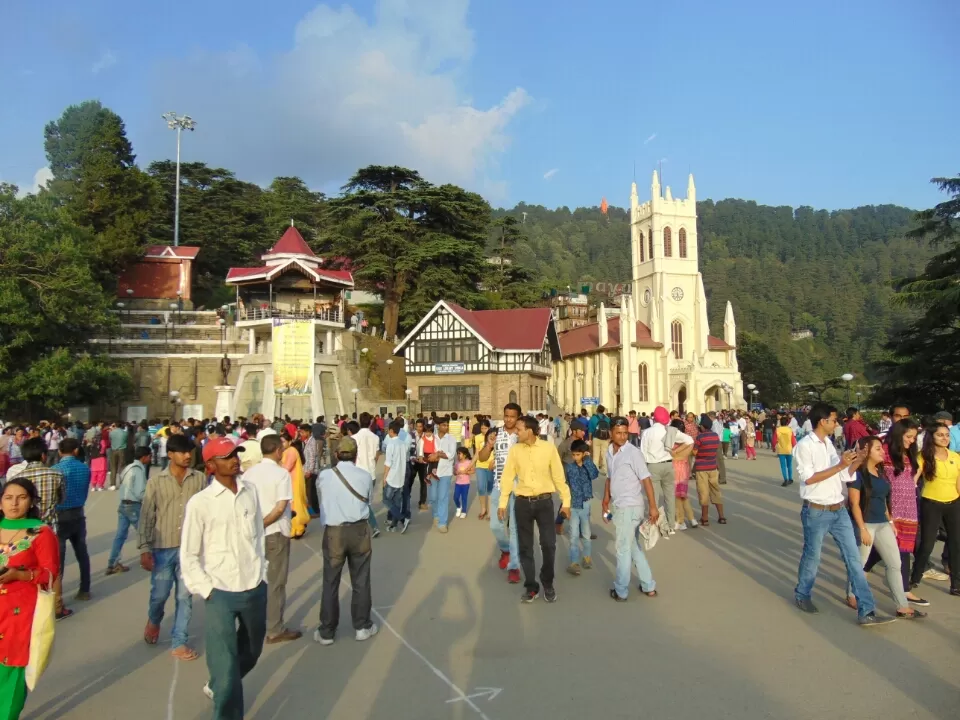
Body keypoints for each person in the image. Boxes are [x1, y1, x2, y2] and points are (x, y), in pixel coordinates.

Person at [181, 437, 267, 718]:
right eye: (227, 456)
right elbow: (190, 554)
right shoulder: (200, 503)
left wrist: (262, 571)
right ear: (210, 465)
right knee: (226, 665)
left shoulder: (250, 491)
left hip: (254, 585)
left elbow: (258, 534)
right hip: (220, 592)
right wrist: (206, 590)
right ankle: (226, 699)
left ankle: (218, 685)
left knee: (252, 652)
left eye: (236, 454)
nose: (235, 459)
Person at [792, 403, 892, 626]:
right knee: (813, 556)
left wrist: (856, 461)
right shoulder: (804, 446)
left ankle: (867, 610)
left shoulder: (828, 444)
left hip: (839, 510)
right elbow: (809, 479)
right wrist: (840, 466)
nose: (837, 424)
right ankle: (802, 594)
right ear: (823, 421)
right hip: (816, 510)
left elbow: (843, 476)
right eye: (834, 420)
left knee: (854, 559)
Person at [139, 433, 206, 660]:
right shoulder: (156, 482)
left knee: (184, 596)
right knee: (159, 594)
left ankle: (179, 641)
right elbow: (147, 516)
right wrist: (144, 549)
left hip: (189, 549)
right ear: (170, 455)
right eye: (182, 452)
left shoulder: (199, 479)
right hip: (162, 548)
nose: (187, 456)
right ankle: (154, 620)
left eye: (190, 451)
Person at [0, 478, 60, 719]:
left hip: (21, 613)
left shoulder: (41, 532)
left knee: (13, 668)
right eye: (8, 497)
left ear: (31, 501)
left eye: (21, 497)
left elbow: (50, 573)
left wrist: (20, 574)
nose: (14, 503)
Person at [847, 437, 924, 619]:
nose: (883, 452)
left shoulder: (880, 471)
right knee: (860, 563)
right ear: (866, 451)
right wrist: (862, 529)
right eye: (878, 449)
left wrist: (890, 522)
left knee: (894, 564)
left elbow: (884, 500)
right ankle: (852, 594)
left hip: (883, 524)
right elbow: (854, 503)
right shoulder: (857, 473)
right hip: (866, 524)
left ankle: (902, 606)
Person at [498, 416, 571, 603]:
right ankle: (531, 586)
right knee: (525, 546)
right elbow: (507, 477)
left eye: (519, 429)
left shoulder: (548, 448)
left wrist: (566, 502)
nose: (516, 432)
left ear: (530, 430)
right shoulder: (515, 450)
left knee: (548, 544)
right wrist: (502, 503)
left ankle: (547, 582)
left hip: (544, 502)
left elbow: (558, 476)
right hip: (522, 503)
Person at [313, 437, 378, 645]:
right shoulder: (365, 476)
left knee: (330, 581)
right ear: (356, 454)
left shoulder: (324, 476)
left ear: (336, 454)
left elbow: (320, 498)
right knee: (361, 580)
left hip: (334, 532)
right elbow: (367, 499)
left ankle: (327, 631)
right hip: (359, 530)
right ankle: (362, 626)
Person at [237, 434, 300, 644]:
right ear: (277, 450)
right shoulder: (281, 474)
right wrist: (262, 523)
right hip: (275, 531)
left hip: (253, 534)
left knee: (254, 579)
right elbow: (281, 507)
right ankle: (274, 628)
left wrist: (253, 526)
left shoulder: (248, 474)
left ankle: (250, 625)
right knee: (276, 582)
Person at [602, 416, 659, 601]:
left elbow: (646, 480)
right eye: (618, 433)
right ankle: (648, 585)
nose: (622, 436)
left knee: (623, 549)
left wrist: (653, 507)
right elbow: (610, 477)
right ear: (611, 433)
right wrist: (605, 498)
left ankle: (620, 590)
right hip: (618, 505)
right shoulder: (610, 451)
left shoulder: (633, 453)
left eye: (625, 433)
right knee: (633, 548)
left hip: (631, 506)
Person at [911, 423, 960, 596]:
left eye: (947, 435)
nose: (945, 438)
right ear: (932, 437)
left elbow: (958, 483)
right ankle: (914, 578)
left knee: (956, 543)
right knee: (927, 544)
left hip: (953, 503)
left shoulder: (956, 456)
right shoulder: (923, 456)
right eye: (940, 435)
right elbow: (913, 479)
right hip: (931, 503)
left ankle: (956, 585)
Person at [478, 404, 522, 584]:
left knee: (514, 529)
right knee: (496, 526)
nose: (508, 419)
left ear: (518, 417)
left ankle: (514, 567)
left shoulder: (522, 435)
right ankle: (506, 549)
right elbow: (481, 457)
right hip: (498, 487)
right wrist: (489, 445)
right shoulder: (495, 434)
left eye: (512, 416)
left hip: (519, 488)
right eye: (506, 416)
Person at [640, 407, 693, 535]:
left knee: (654, 497)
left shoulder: (647, 432)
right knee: (670, 497)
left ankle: (656, 524)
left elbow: (642, 453)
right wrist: (676, 451)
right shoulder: (670, 431)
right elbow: (689, 440)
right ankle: (670, 525)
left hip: (653, 466)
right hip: (669, 465)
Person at [53, 438, 92, 606]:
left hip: (60, 515)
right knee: (82, 553)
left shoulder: (55, 470)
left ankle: (57, 596)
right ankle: (84, 589)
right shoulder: (85, 468)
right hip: (78, 513)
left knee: (58, 558)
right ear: (76, 450)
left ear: (60, 451)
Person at [107, 446, 152, 574]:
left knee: (120, 535)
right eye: (149, 456)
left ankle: (112, 562)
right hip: (133, 505)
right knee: (145, 532)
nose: (150, 459)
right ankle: (151, 557)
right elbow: (140, 492)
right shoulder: (138, 470)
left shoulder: (128, 467)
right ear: (144, 457)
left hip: (123, 503)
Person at [563, 439, 598, 576]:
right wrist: (565, 504)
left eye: (578, 454)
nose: (575, 457)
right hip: (573, 504)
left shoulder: (587, 465)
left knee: (586, 533)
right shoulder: (569, 467)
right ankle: (574, 562)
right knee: (573, 535)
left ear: (583, 454)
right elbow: (566, 485)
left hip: (585, 503)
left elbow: (594, 475)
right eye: (574, 455)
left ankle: (587, 557)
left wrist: (587, 461)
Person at [427, 416, 458, 533]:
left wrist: (439, 455)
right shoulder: (432, 438)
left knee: (443, 497)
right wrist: (434, 455)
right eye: (444, 425)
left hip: (445, 471)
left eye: (447, 425)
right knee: (434, 497)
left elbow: (451, 455)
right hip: (433, 471)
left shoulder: (451, 439)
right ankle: (436, 514)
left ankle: (442, 523)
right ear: (438, 426)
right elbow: (426, 453)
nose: (446, 427)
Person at [280, 431, 310, 539]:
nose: (281, 444)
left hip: (294, 482)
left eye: (283, 442)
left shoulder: (291, 451)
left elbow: (286, 468)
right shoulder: (287, 451)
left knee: (295, 505)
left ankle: (298, 528)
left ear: (290, 441)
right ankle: (295, 528)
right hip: (290, 481)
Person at [381, 419, 409, 532]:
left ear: (391, 431)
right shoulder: (403, 444)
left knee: (386, 500)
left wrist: (384, 477)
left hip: (392, 476)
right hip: (400, 476)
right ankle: (394, 524)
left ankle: (402, 519)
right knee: (397, 501)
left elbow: (388, 463)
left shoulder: (391, 444)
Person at [471, 422, 493, 520]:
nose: (484, 430)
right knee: (480, 488)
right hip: (480, 465)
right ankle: (483, 509)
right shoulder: (477, 438)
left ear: (489, 428)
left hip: (490, 466)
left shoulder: (493, 437)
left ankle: (490, 512)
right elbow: (477, 453)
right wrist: (471, 465)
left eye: (485, 428)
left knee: (490, 489)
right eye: (482, 428)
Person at [588, 405, 611, 473]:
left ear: (597, 410)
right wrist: (610, 438)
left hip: (596, 438)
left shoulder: (593, 418)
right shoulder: (607, 419)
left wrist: (590, 439)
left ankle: (595, 470)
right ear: (603, 410)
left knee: (596, 455)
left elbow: (590, 430)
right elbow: (609, 429)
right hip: (605, 438)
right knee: (604, 454)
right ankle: (605, 470)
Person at [776, 416, 796, 486]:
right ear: (787, 422)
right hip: (789, 449)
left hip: (781, 450)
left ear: (780, 422)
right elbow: (793, 441)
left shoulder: (777, 430)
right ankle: (790, 478)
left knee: (783, 466)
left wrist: (773, 447)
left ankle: (785, 479)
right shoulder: (790, 430)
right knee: (789, 465)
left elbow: (774, 440)